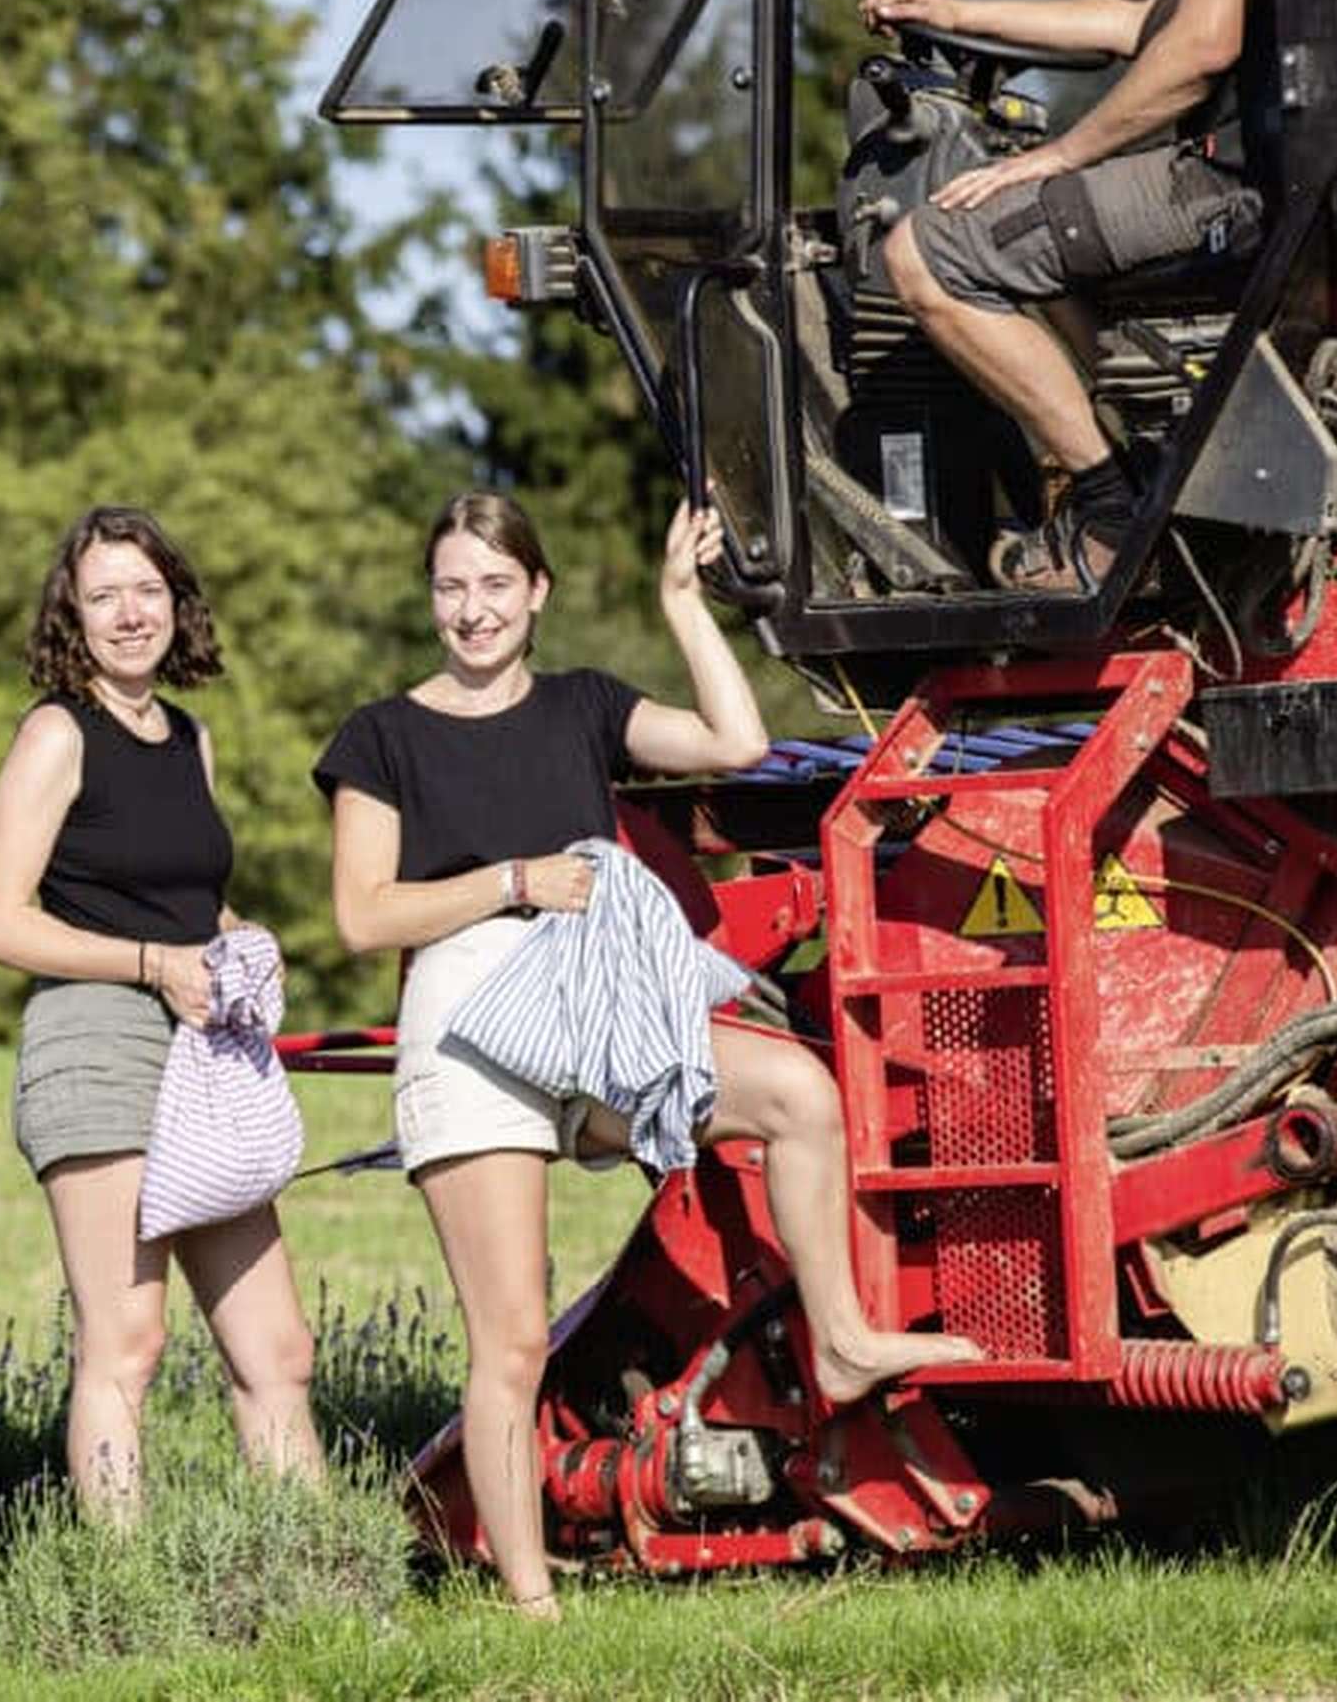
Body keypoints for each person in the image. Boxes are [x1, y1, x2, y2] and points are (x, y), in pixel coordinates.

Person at [317, 491, 980, 1614]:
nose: (471, 611)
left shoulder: (581, 707)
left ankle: (846, 1342)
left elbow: (739, 741)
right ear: (431, 598)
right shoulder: (384, 735)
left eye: (493, 586)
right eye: (451, 588)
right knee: (513, 1341)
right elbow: (363, 917)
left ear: (538, 594)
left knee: (794, 1093)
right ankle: (529, 1605)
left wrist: (681, 602)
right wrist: (514, 882)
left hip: (587, 1008)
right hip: (472, 1026)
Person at [860, 0, 1267, 592]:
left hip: (1230, 179)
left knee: (928, 253)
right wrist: (957, 14)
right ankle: (1146, 463)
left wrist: (1057, 155)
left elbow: (1202, 46)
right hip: (1238, 171)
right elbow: (1142, 22)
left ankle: (1110, 514)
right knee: (1023, 235)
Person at [0, 506, 323, 1523]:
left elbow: (187, 899)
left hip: (200, 1052)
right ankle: (129, 1603)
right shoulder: (55, 731)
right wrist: (153, 962)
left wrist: (241, 939)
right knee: (128, 1342)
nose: (130, 614)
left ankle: (310, 1576)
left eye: (148, 591)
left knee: (278, 1348)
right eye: (105, 594)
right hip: (93, 1043)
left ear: (177, 604)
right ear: (71, 613)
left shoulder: (188, 739)